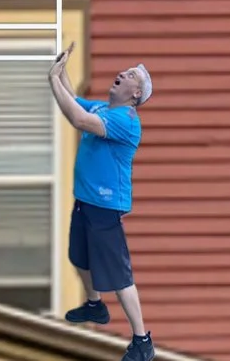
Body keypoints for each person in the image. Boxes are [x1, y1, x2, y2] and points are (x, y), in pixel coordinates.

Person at [49, 43, 155, 361]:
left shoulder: (126, 120)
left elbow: (77, 120)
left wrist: (52, 79)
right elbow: (73, 102)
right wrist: (62, 69)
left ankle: (142, 340)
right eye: (124, 71)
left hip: (106, 206)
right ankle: (95, 306)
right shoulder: (101, 109)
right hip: (85, 200)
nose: (121, 73)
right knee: (80, 259)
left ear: (136, 94)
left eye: (131, 75)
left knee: (119, 276)